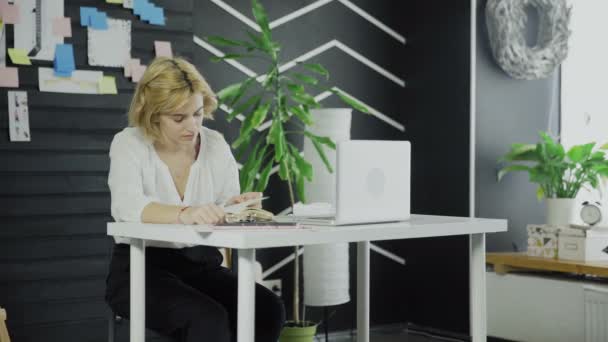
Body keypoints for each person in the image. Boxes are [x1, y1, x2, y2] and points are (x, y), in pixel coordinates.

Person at [105, 57, 285, 342]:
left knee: (267, 308)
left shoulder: (215, 144)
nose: (192, 126)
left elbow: (224, 205)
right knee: (207, 319)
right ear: (153, 114)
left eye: (198, 114)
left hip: (202, 265)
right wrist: (185, 212)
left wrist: (239, 207)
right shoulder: (129, 143)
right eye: (179, 118)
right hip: (142, 269)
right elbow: (127, 208)